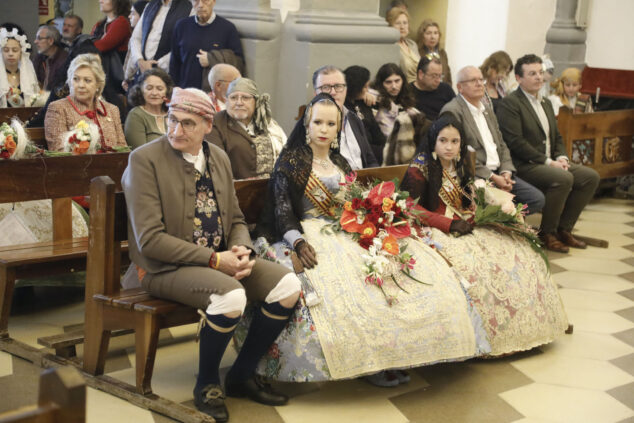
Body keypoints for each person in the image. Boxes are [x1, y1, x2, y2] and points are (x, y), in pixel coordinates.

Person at [250, 93, 488, 385]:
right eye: (318, 122)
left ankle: (398, 355)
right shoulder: (291, 162)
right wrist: (298, 242)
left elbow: (354, 202)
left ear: (338, 127)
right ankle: (367, 366)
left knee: (397, 276)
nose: (323, 129)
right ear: (307, 125)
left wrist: (375, 222)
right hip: (310, 235)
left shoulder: (340, 161)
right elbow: (282, 211)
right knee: (354, 291)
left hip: (349, 230)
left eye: (330, 123)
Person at [122, 87, 300, 421]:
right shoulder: (145, 160)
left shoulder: (217, 156)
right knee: (231, 295)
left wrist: (242, 249)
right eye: (172, 120)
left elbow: (234, 218)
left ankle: (241, 374)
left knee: (287, 287)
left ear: (207, 124)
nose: (176, 130)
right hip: (162, 269)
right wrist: (217, 261)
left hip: (218, 259)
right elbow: (149, 241)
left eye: (187, 123)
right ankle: (206, 385)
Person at [400, 115, 568, 356]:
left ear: (461, 144)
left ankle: (524, 325)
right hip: (435, 229)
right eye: (443, 141)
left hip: (465, 225)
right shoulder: (420, 168)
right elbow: (409, 207)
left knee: (513, 252)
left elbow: (467, 201)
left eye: (455, 141)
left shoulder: (459, 165)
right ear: (433, 142)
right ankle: (484, 338)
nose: (449, 147)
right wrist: (447, 223)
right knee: (472, 266)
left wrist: (483, 214)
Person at [497, 54, 600, 253]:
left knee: (590, 177)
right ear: (519, 78)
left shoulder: (544, 102)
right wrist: (548, 162)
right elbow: (516, 142)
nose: (539, 77)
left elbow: (557, 136)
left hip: (548, 162)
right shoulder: (511, 103)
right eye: (532, 73)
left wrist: (561, 157)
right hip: (524, 165)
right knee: (563, 178)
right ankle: (547, 233)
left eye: (541, 73)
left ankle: (564, 229)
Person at [440, 66, 545, 214]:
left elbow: (501, 144)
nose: (479, 84)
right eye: (472, 80)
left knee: (536, 199)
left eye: (480, 79)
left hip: (500, 173)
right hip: (476, 176)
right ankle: (502, 223)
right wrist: (493, 177)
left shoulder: (487, 109)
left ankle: (508, 224)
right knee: (501, 207)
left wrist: (506, 171)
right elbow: (460, 153)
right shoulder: (453, 111)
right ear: (460, 87)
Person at [44, 53, 127, 151]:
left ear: (98, 84)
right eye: (76, 79)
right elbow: (59, 151)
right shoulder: (57, 109)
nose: (81, 85)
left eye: (87, 80)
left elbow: (123, 149)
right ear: (70, 81)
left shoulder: (112, 110)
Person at [208, 77, 286, 179]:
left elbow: (286, 154)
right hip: (237, 190)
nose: (239, 102)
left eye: (245, 98)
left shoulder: (268, 123)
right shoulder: (216, 124)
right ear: (226, 101)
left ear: (256, 101)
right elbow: (216, 165)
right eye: (233, 98)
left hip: (272, 188)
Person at [312, 65, 378, 169]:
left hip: (364, 182)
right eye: (326, 87)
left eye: (338, 86)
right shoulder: (310, 126)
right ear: (316, 93)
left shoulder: (354, 119)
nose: (333, 92)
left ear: (346, 90)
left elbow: (370, 160)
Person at [170, 0, 244, 89]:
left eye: (205, 0)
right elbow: (174, 63)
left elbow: (239, 63)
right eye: (196, 1)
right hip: (185, 92)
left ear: (213, 1)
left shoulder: (228, 28)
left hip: (214, 94)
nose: (200, 5)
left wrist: (211, 59)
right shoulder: (181, 26)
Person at [124, 0, 192, 89]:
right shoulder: (150, 5)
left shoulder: (189, 8)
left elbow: (184, 45)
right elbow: (136, 38)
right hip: (142, 72)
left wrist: (155, 66)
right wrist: (140, 61)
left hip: (168, 75)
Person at [374, 62, 430, 165]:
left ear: (402, 81)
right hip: (387, 154)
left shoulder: (407, 102)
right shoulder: (376, 101)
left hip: (411, 151)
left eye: (397, 81)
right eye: (388, 82)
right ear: (381, 84)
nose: (394, 86)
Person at [91, 0, 132, 102]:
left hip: (113, 79)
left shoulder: (122, 22)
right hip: (99, 72)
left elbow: (102, 46)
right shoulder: (99, 24)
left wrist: (84, 45)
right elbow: (89, 45)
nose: (100, 1)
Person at [343, 65, 385, 163]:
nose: (367, 90)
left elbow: (376, 131)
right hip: (360, 154)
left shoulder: (363, 101)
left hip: (375, 150)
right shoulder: (344, 108)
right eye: (365, 87)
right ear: (355, 89)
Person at [124, 67, 172, 148]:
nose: (154, 93)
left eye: (160, 89)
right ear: (141, 91)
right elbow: (140, 153)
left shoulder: (173, 113)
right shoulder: (135, 115)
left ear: (167, 92)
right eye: (149, 88)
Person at [0, 27, 39, 108]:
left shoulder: (28, 75)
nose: (10, 54)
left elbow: (35, 103)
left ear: (21, 52)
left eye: (15, 50)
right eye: (6, 50)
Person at [411, 54, 455, 120]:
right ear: (421, 74)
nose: (438, 80)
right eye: (434, 76)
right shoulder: (408, 92)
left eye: (440, 76)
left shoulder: (446, 89)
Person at [385, 7, 420, 84]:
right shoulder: (390, 46)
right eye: (398, 23)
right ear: (390, 26)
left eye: (405, 23)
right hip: (404, 88)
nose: (402, 27)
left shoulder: (412, 44)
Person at [32, 25, 69, 92]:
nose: (35, 41)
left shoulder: (65, 60)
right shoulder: (38, 57)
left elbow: (63, 89)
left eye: (39, 38)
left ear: (51, 41)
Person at [416, 19, 452, 87]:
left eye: (435, 33)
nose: (432, 37)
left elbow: (448, 77)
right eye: (428, 33)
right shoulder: (417, 53)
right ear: (422, 36)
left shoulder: (442, 53)